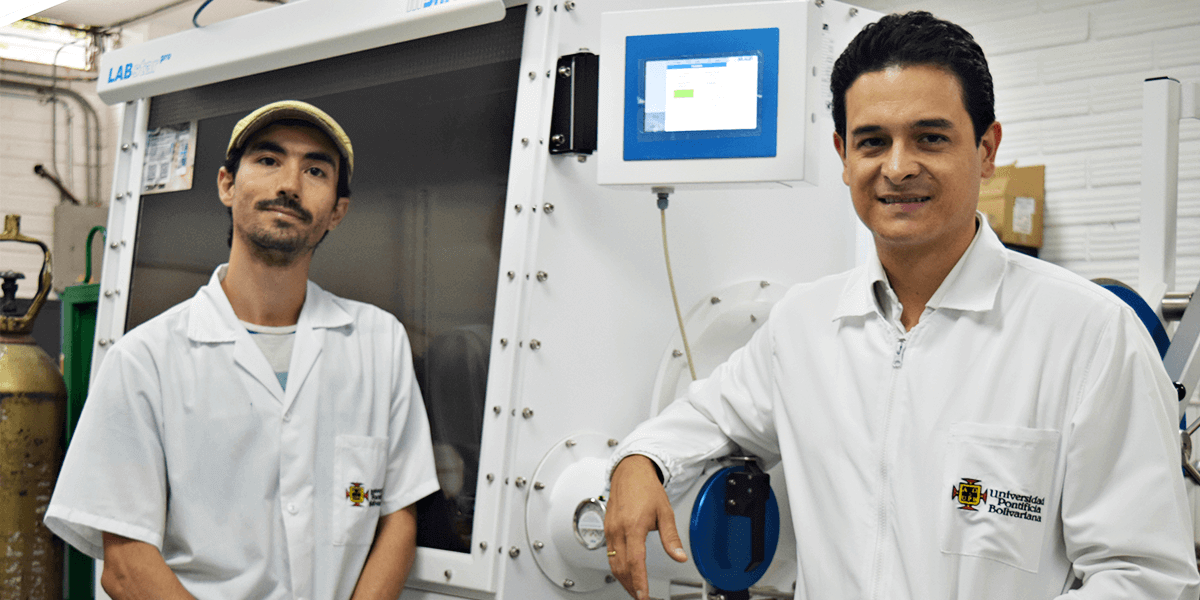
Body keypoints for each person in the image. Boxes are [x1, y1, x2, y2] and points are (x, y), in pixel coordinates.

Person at [604, 11, 1200, 600]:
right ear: (843, 155)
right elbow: (707, 416)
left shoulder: (1088, 334)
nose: (897, 167)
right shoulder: (804, 325)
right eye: (872, 142)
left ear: (986, 149)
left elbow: (1145, 576)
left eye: (930, 138)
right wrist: (641, 462)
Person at [45, 100, 440, 600]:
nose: (290, 185)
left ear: (337, 211)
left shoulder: (378, 342)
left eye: (315, 170)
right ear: (227, 185)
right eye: (268, 160)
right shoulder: (145, 359)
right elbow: (125, 565)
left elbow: (398, 515)